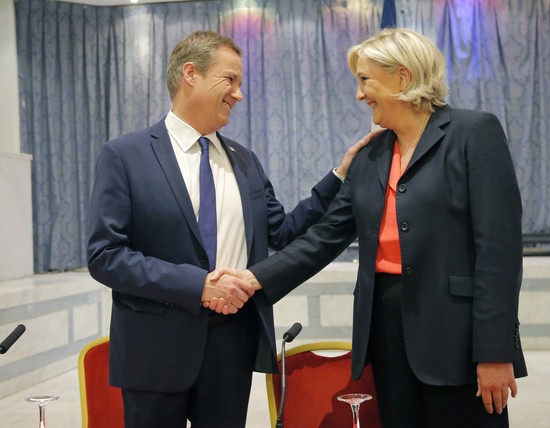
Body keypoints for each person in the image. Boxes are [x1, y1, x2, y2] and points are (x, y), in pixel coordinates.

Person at [216, 28, 527, 427]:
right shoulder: (372, 154)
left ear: (402, 77)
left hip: (458, 335)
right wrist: (252, 279)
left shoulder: (473, 134)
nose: (360, 94)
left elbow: (498, 254)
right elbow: (325, 236)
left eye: (365, 80)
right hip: (385, 329)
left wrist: (494, 351)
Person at [86, 30, 374, 428]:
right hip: (154, 349)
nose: (238, 94)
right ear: (191, 74)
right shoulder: (125, 155)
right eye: (230, 80)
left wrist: (339, 176)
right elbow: (106, 257)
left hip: (231, 346)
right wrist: (199, 285)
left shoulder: (244, 159)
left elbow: (283, 232)